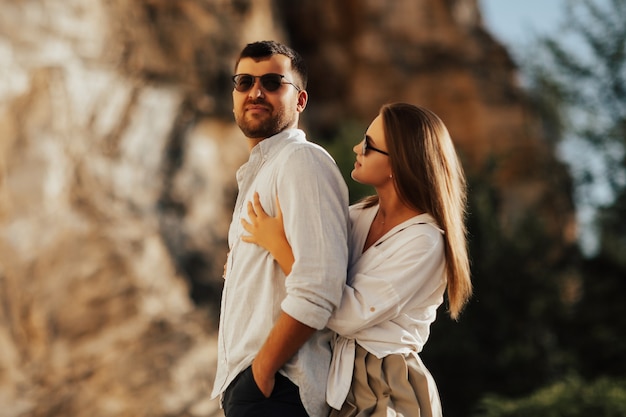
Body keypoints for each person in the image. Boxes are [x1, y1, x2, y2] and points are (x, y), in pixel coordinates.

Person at [241, 102, 472, 416]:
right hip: (338, 382)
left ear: (399, 164)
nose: (356, 148)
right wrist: (250, 255)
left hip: (386, 387)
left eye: (369, 145)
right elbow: (307, 264)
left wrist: (278, 245)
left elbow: (346, 314)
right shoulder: (357, 216)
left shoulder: (424, 241)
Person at [209, 40, 350, 417]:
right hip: (254, 389)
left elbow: (320, 284)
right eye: (244, 82)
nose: (256, 92)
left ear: (300, 101)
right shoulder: (262, 173)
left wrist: (263, 370)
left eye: (273, 82)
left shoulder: (302, 161)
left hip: (280, 388)